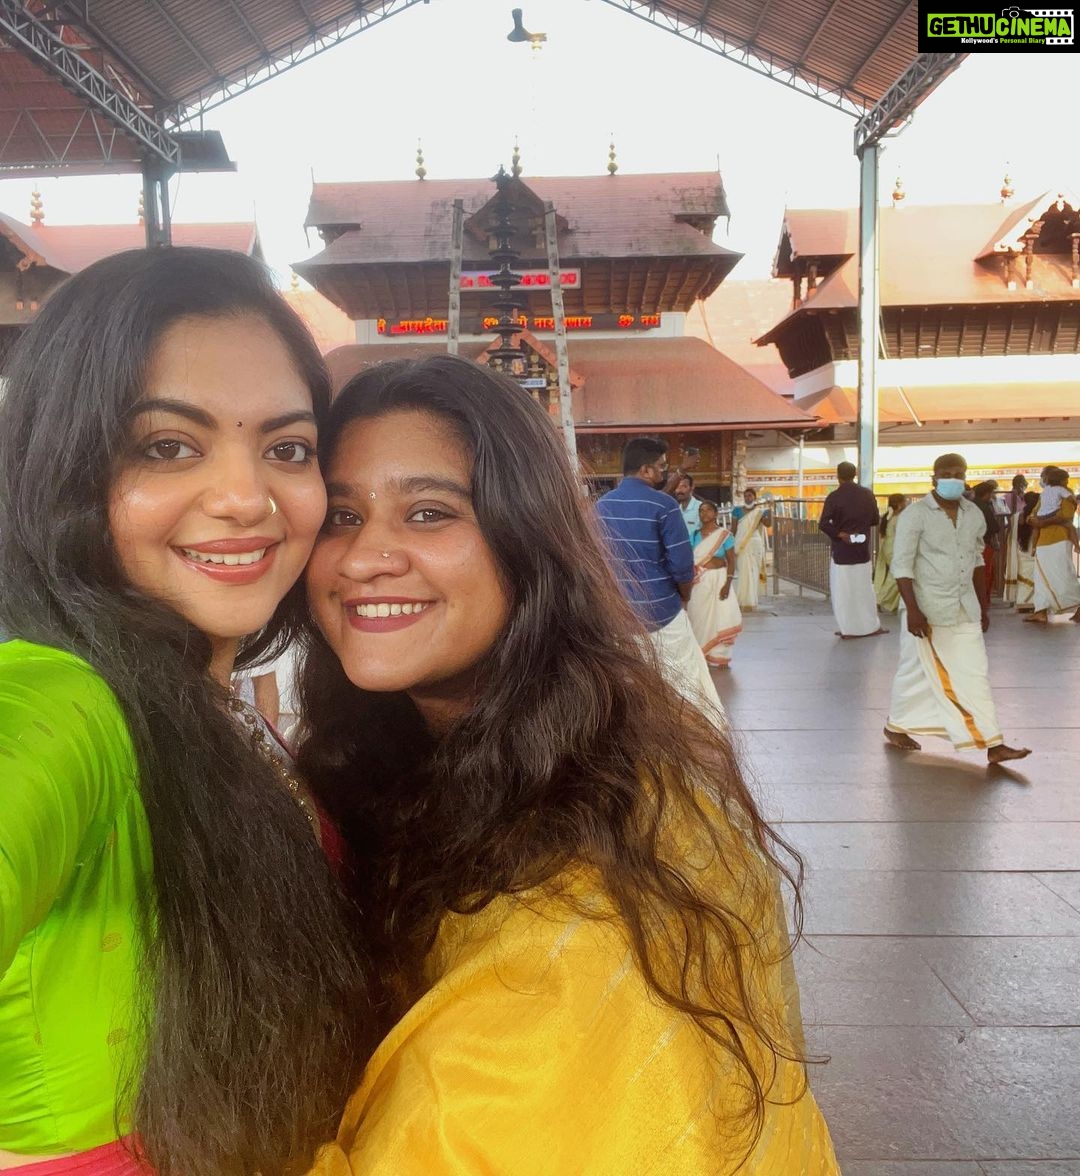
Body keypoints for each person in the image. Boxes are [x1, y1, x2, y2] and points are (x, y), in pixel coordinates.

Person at [297, 355, 838, 1175]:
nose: (364, 557)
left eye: (429, 513)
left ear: (528, 540)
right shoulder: (433, 749)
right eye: (341, 516)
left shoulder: (594, 896)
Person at [0, 248, 371, 1175]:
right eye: (167, 446)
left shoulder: (216, 701)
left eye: (288, 449)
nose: (247, 499)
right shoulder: (60, 700)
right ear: (63, 466)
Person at [883, 452, 1030, 765]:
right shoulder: (915, 515)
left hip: (965, 607)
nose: (953, 479)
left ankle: (991, 743)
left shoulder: (973, 513)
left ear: (965, 477)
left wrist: (983, 606)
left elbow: (977, 560)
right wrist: (913, 611)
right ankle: (900, 726)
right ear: (934, 478)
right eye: (946, 474)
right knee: (918, 671)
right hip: (928, 609)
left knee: (971, 671)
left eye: (959, 474)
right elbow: (902, 565)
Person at [595, 437, 724, 721]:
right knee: (686, 684)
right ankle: (692, 741)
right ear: (646, 470)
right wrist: (685, 597)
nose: (664, 473)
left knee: (633, 688)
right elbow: (682, 566)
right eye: (662, 467)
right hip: (662, 612)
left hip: (618, 616)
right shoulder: (664, 505)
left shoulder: (601, 506)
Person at [818, 461, 885, 639]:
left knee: (843, 592)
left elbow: (823, 523)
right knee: (864, 590)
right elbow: (875, 520)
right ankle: (870, 626)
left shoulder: (834, 497)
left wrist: (840, 534)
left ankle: (848, 629)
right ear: (855, 474)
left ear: (838, 476)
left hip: (842, 550)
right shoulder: (867, 494)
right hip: (862, 548)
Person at [687, 499, 742, 668]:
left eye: (708, 510)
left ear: (716, 513)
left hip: (719, 581)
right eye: (701, 511)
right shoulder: (694, 535)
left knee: (720, 617)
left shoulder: (725, 535)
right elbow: (689, 559)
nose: (704, 513)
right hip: (699, 582)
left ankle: (719, 656)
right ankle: (701, 654)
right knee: (698, 616)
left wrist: (727, 584)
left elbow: (731, 561)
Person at [1025, 466, 1080, 624]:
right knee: (1040, 577)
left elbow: (1066, 515)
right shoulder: (1045, 494)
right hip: (1043, 541)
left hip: (1059, 539)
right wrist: (1032, 520)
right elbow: (1033, 513)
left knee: (1063, 576)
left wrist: (1042, 522)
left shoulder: (1066, 493)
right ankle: (1040, 611)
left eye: (1044, 476)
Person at [731, 487, 770, 610]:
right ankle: (743, 601)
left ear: (755, 497)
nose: (748, 498)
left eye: (750, 496)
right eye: (746, 496)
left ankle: (752, 601)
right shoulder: (737, 511)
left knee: (753, 572)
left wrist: (769, 511)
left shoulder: (760, 511)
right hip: (741, 544)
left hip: (755, 544)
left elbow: (768, 524)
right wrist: (731, 545)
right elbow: (733, 530)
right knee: (743, 571)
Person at [873, 493, 908, 612]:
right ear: (900, 504)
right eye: (904, 501)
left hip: (887, 549)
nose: (906, 504)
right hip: (895, 550)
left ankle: (887, 602)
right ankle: (880, 600)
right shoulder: (899, 518)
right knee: (895, 578)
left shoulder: (889, 516)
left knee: (890, 576)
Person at [1002, 474, 1029, 605]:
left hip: (1024, 533)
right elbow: (1007, 515)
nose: (1025, 486)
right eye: (1024, 484)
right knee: (1012, 560)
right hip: (1012, 532)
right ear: (1018, 484)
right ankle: (1011, 593)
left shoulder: (1024, 498)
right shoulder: (1008, 497)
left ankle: (1022, 594)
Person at [971, 480, 1002, 597]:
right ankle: (984, 599)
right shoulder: (985, 507)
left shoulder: (969, 505)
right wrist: (996, 541)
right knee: (985, 572)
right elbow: (994, 527)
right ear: (987, 493)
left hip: (969, 545)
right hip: (984, 544)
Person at [1013, 490, 1041, 613]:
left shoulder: (1019, 516)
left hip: (1021, 548)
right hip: (1032, 548)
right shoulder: (1036, 516)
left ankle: (1022, 603)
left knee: (1023, 578)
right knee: (1034, 576)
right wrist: (1034, 547)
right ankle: (1032, 603)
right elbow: (1035, 532)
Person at [672, 472, 704, 545]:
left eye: (684, 486)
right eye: (677, 487)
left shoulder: (701, 508)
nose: (679, 490)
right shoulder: (675, 509)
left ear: (692, 487)